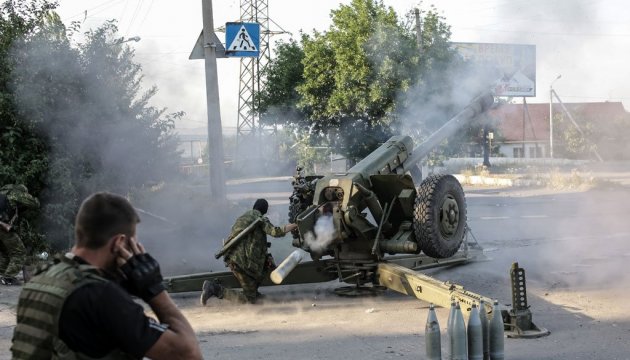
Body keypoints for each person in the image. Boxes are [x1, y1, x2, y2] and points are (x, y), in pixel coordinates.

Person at [11, 192, 202, 360]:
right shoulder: (100, 296)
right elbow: (188, 353)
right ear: (119, 243)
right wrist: (154, 289)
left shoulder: (40, 280)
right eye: (132, 243)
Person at [202, 198, 297, 305]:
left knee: (255, 288)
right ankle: (215, 289)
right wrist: (295, 225)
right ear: (265, 210)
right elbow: (275, 232)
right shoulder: (260, 219)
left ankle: (258, 297)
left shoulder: (242, 218)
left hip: (232, 258)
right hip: (243, 263)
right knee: (249, 299)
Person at [0, 184, 39, 285]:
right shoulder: (16, 193)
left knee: (5, 252)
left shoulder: (2, 193)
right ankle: (8, 278)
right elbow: (35, 204)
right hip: (2, 228)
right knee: (19, 252)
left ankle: (2, 275)